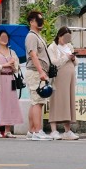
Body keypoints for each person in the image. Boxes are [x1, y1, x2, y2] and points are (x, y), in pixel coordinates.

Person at [23, 10, 53, 141]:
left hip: (38, 72)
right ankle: (37, 131)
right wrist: (41, 71)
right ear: (31, 22)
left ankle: (31, 130)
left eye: (42, 20)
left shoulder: (37, 35)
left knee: (35, 101)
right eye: (38, 20)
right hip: (36, 72)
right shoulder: (31, 36)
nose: (41, 22)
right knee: (38, 102)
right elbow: (33, 54)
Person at [47, 26, 79, 140]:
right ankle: (54, 130)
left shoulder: (69, 46)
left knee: (68, 101)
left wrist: (73, 58)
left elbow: (76, 63)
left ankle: (67, 130)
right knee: (56, 101)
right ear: (59, 36)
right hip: (58, 77)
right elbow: (54, 63)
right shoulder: (52, 47)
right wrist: (66, 57)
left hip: (70, 77)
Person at [0, 29, 22, 138]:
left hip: (10, 79)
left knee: (10, 104)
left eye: (6, 37)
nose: (4, 39)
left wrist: (13, 65)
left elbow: (17, 68)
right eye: (2, 37)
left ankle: (8, 130)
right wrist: (5, 65)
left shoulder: (12, 52)